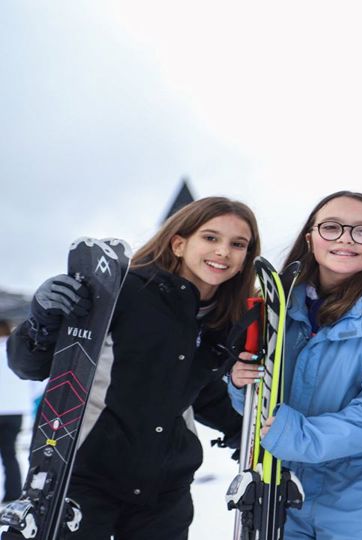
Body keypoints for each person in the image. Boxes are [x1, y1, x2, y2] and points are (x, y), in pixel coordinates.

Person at [6, 197, 258, 539]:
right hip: (84, 475)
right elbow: (29, 367)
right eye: (210, 238)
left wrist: (246, 435)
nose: (223, 252)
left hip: (165, 487)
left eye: (237, 244)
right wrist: (43, 318)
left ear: (246, 258)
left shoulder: (223, 321)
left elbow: (202, 392)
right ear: (180, 244)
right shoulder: (123, 291)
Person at [229, 191, 362, 539]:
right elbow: (264, 406)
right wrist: (240, 385)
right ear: (311, 236)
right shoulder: (281, 305)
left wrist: (295, 435)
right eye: (332, 227)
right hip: (283, 482)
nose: (346, 239)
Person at [0, 319, 37, 503]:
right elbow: (36, 381)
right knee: (10, 453)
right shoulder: (18, 351)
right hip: (16, 410)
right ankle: (13, 493)